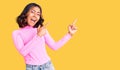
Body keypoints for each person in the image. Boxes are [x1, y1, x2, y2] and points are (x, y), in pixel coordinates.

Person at [12, 3, 77, 70]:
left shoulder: (41, 30)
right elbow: (23, 52)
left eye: (38, 14)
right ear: (25, 14)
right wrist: (38, 36)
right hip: (32, 68)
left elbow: (54, 46)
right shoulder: (17, 33)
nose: (35, 15)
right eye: (32, 12)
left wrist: (69, 34)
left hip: (47, 66)